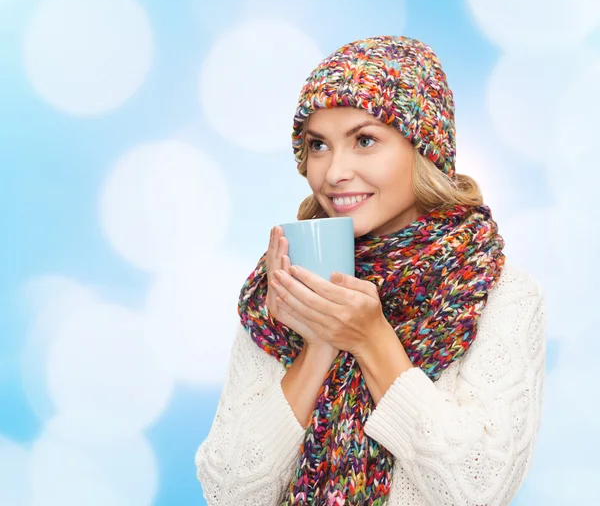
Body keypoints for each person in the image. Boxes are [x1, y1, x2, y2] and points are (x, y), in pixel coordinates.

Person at [195, 35, 546, 505]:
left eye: (364, 140)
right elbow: (228, 491)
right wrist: (318, 342)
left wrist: (369, 338)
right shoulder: (284, 285)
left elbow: (477, 489)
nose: (334, 171)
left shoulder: (498, 294)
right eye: (318, 145)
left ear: (424, 148)